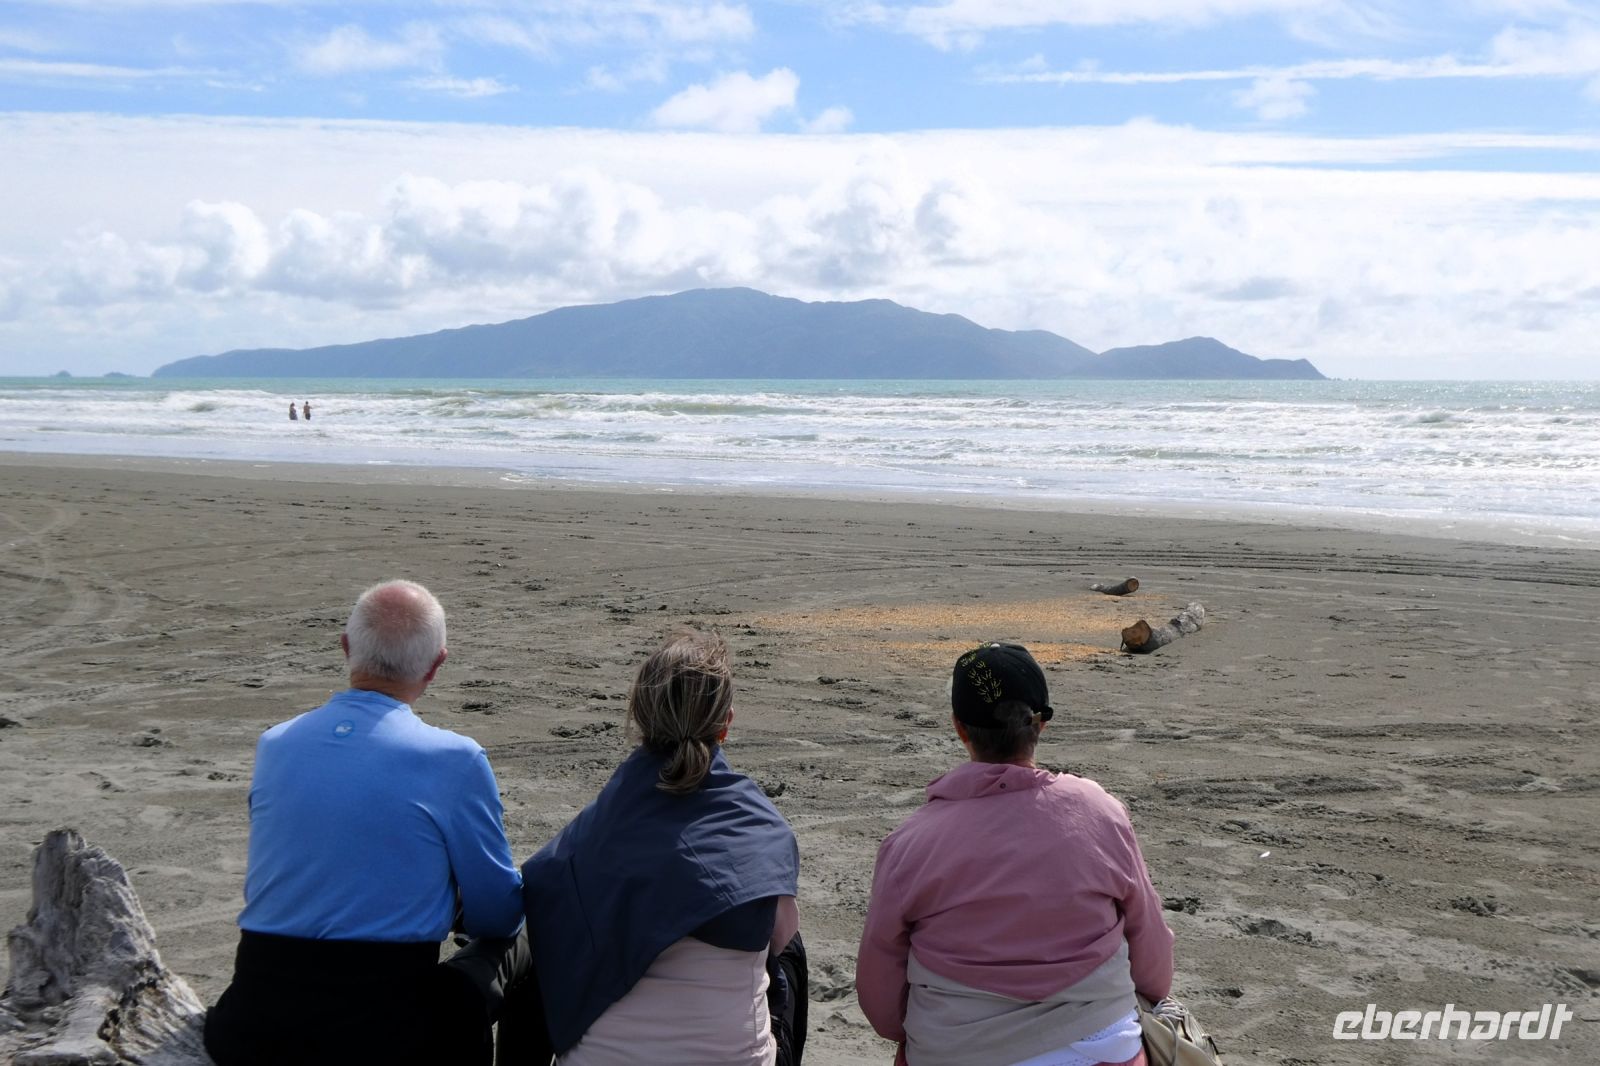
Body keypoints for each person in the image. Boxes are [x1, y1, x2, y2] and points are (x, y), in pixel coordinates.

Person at [204, 579, 526, 1066]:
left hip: (254, 1019)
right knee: (524, 938)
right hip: (384, 1030)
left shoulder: (276, 744)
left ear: (347, 646)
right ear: (437, 665)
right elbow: (497, 913)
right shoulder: (454, 759)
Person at [856, 642, 1174, 1066]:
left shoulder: (910, 842)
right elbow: (1151, 949)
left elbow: (879, 984)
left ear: (959, 728)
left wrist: (911, 1032)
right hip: (1099, 1044)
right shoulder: (1101, 813)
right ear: (1039, 725)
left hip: (956, 1048)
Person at [504, 629, 808, 1066]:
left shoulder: (588, 841)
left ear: (640, 718)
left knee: (545, 941)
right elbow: (775, 938)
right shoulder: (763, 828)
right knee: (788, 949)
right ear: (727, 723)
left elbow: (541, 889)